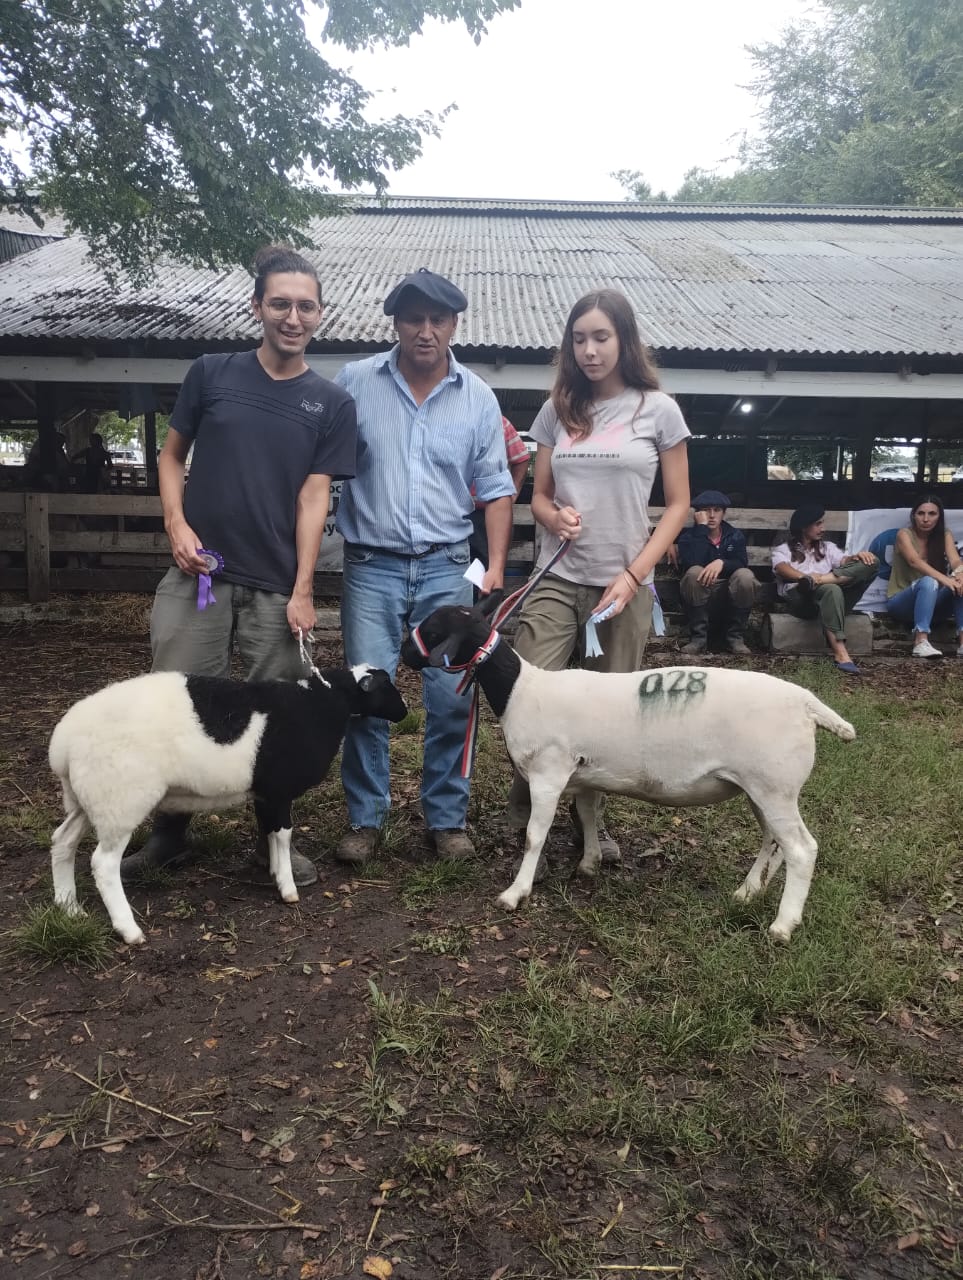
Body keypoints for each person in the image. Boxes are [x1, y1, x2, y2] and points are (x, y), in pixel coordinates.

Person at [121, 245, 358, 884]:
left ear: (320, 314)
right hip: (198, 576)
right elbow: (172, 456)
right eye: (280, 303)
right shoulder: (212, 373)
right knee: (177, 704)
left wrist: (304, 587)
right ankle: (170, 833)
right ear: (257, 307)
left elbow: (314, 496)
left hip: (276, 585)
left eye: (305, 306)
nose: (293, 317)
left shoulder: (331, 403)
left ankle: (270, 842)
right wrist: (176, 523)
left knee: (279, 716)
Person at [333, 267, 516, 865]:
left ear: (454, 324)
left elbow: (496, 488)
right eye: (414, 318)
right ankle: (365, 819)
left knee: (454, 695)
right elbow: (320, 468)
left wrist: (493, 568)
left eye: (438, 319)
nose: (426, 330)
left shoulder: (478, 396)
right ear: (396, 322)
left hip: (447, 566)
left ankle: (447, 818)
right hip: (371, 564)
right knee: (366, 690)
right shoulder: (355, 383)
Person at [506, 287, 691, 863]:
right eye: (579, 339)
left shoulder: (657, 409)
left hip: (624, 584)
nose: (589, 351)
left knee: (608, 713)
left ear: (624, 340)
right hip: (557, 576)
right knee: (529, 693)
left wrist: (634, 575)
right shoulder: (556, 409)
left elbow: (679, 505)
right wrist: (552, 516)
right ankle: (527, 813)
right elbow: (537, 497)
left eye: (601, 338)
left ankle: (591, 824)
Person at [771, 504, 878, 675]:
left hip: (832, 597)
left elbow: (844, 561)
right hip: (803, 601)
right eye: (818, 524)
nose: (823, 528)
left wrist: (856, 557)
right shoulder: (783, 549)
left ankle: (821, 579)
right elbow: (781, 568)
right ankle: (841, 653)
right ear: (804, 526)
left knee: (872, 562)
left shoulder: (827, 547)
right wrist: (803, 578)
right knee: (831, 589)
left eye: (823, 523)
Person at [676, 489, 759, 655]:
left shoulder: (734, 535)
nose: (712, 515)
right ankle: (698, 638)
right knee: (694, 572)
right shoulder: (689, 537)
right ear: (698, 514)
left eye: (717, 510)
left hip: (729, 593)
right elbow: (692, 562)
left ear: (724, 513)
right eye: (707, 510)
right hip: (700, 593)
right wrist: (701, 529)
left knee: (745, 576)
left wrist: (722, 563)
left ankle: (735, 637)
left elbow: (741, 562)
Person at [884, 494, 963, 658]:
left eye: (932, 514)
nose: (926, 519)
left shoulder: (944, 534)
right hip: (901, 604)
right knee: (929, 581)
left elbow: (955, 560)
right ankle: (920, 641)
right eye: (921, 513)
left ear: (939, 516)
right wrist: (945, 579)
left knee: (960, 584)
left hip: (934, 606)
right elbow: (914, 562)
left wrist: (960, 573)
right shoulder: (904, 534)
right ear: (914, 515)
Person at [468, 414, 530, 566]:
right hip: (453, 512)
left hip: (487, 511)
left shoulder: (498, 421)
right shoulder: (445, 419)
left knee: (487, 566)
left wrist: (511, 495)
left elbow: (521, 458)